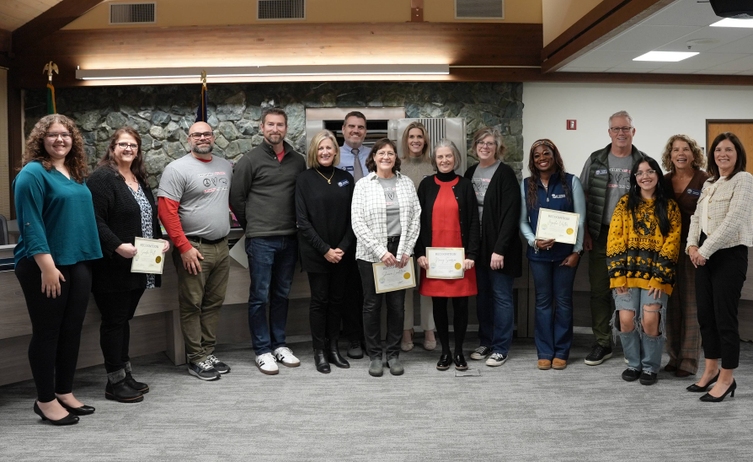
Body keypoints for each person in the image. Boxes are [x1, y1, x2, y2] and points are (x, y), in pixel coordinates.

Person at [14, 114, 102, 425]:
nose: (59, 139)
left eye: (65, 134)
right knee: (47, 333)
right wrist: (47, 267)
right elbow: (30, 223)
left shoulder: (74, 172)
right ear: (41, 139)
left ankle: (64, 391)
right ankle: (45, 399)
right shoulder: (32, 173)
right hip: (45, 266)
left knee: (71, 331)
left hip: (77, 262)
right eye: (52, 135)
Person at [88, 127, 170, 402]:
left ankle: (125, 373)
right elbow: (95, 221)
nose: (128, 149)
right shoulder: (101, 179)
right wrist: (116, 245)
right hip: (112, 267)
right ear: (112, 148)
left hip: (139, 266)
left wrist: (161, 241)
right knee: (114, 322)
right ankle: (114, 382)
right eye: (122, 144)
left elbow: (148, 217)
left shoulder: (138, 178)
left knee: (124, 321)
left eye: (133, 145)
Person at [230, 108, 306, 375]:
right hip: (261, 240)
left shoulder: (298, 161)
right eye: (270, 124)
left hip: (290, 239)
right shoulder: (249, 160)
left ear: (287, 128)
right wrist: (254, 226)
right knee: (260, 297)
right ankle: (262, 350)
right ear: (261, 127)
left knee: (282, 295)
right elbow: (236, 199)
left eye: (280, 125)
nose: (276, 129)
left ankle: (280, 345)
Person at [157, 121, 233, 381]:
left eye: (207, 133)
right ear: (188, 139)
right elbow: (166, 212)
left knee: (214, 303)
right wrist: (184, 248)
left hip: (222, 246)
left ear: (214, 136)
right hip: (194, 248)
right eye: (196, 134)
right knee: (192, 305)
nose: (202, 137)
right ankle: (196, 357)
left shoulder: (225, 166)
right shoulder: (176, 169)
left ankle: (208, 352)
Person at [686, 132, 753, 402]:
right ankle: (711, 369)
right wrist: (691, 246)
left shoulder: (744, 180)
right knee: (706, 315)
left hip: (729, 254)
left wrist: (704, 250)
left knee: (725, 318)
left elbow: (735, 219)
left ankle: (727, 377)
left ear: (738, 154)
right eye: (718, 150)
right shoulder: (710, 182)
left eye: (728, 150)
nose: (722, 154)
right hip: (702, 253)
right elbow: (696, 218)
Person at [579, 110, 647, 366]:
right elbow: (582, 196)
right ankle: (603, 342)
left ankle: (635, 339)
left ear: (633, 131)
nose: (621, 132)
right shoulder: (596, 159)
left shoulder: (644, 162)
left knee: (631, 289)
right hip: (600, 232)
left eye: (625, 128)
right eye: (616, 129)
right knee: (599, 290)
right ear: (609, 132)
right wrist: (585, 231)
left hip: (634, 237)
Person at [607, 157, 681, 386]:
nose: (645, 176)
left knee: (650, 320)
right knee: (626, 319)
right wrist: (618, 274)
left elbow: (672, 243)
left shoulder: (669, 206)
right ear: (635, 179)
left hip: (655, 277)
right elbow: (614, 240)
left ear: (658, 175)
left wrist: (659, 278)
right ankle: (633, 363)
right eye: (640, 173)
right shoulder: (624, 204)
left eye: (650, 172)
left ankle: (650, 367)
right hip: (626, 275)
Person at [351, 138, 421, 377]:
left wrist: (405, 251)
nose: (386, 157)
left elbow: (415, 218)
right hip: (370, 254)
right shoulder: (363, 185)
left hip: (400, 252)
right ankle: (375, 356)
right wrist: (381, 252)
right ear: (374, 157)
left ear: (395, 158)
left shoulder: (406, 183)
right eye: (381, 153)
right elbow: (357, 222)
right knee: (371, 305)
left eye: (390, 153)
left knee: (396, 306)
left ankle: (392, 354)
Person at [519, 139, 585, 371]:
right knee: (543, 303)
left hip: (566, 256)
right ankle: (545, 351)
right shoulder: (526, 184)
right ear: (532, 161)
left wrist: (577, 250)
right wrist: (532, 240)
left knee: (564, 303)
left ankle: (562, 351)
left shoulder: (571, 182)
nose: (541, 158)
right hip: (538, 256)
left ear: (554, 155)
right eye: (536, 156)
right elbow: (522, 221)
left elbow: (581, 219)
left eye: (546, 153)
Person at [415, 140, 478, 371]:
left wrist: (472, 253)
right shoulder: (425, 185)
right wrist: (419, 252)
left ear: (456, 158)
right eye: (440, 157)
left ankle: (460, 351)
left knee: (461, 306)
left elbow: (473, 223)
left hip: (461, 259)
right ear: (434, 160)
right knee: (439, 306)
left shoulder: (465, 185)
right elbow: (418, 223)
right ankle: (444, 352)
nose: (444, 161)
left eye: (448, 156)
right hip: (433, 260)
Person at [295, 130, 355, 374]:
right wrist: (325, 250)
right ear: (314, 152)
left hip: (343, 252)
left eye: (329, 148)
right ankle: (319, 351)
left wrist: (341, 248)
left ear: (336, 151)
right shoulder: (304, 179)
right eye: (320, 148)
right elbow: (302, 221)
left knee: (337, 301)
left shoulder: (345, 178)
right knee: (320, 301)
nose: (325, 152)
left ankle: (333, 348)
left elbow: (355, 217)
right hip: (316, 253)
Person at [465, 127, 522, 367]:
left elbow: (511, 215)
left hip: (500, 248)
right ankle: (485, 341)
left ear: (497, 147)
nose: (485, 147)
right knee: (483, 298)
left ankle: (501, 347)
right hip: (477, 247)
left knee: (501, 298)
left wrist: (499, 249)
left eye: (490, 143)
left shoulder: (505, 173)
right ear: (475, 146)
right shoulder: (470, 172)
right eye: (481, 142)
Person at [660, 134, 708, 378]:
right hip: (667, 248)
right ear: (670, 155)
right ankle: (674, 356)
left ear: (693, 153)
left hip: (694, 249)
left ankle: (689, 360)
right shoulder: (665, 181)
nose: (680, 153)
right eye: (675, 149)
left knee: (691, 304)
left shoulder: (705, 179)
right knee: (671, 304)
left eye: (685, 149)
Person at [399, 121, 437, 352]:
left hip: (428, 234)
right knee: (404, 285)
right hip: (402, 236)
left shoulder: (434, 165)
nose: (415, 140)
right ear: (406, 140)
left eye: (419, 137)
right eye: (411, 136)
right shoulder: (397, 165)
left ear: (425, 141)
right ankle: (406, 330)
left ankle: (429, 329)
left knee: (427, 284)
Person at [337, 111, 369, 359]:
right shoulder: (334, 154)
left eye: (360, 127)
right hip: (344, 232)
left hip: (371, 233)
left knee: (370, 289)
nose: (355, 131)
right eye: (351, 126)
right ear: (343, 129)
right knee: (349, 289)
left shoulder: (375, 155)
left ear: (365, 131)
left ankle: (371, 337)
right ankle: (353, 338)